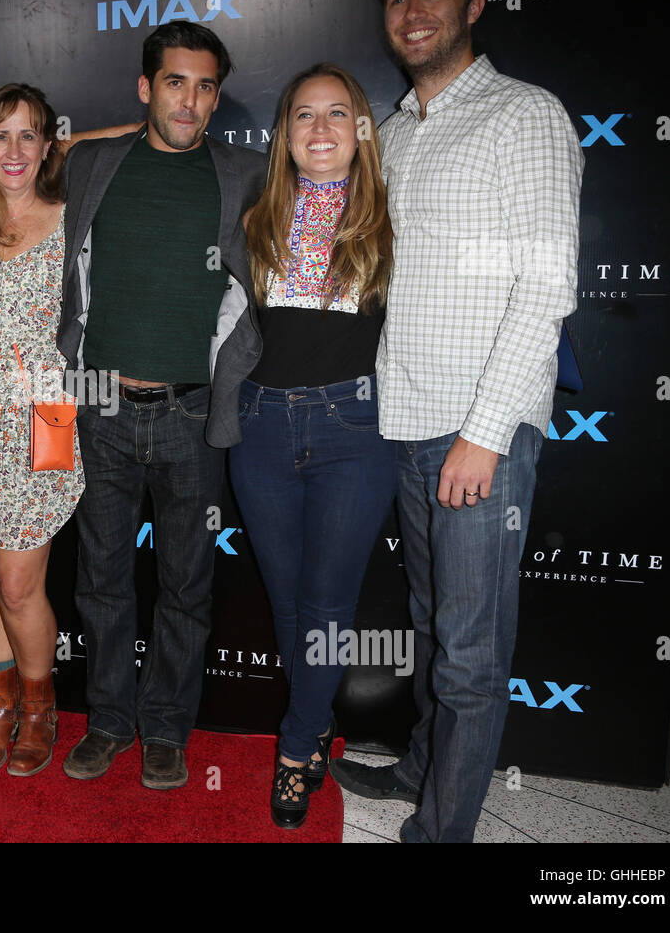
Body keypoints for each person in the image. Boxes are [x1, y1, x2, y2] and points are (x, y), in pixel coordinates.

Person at [328, 0, 583, 843]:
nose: (413, 13)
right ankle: (423, 768)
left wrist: (486, 432)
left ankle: (444, 834)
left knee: (471, 656)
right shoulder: (391, 135)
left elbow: (546, 288)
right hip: (405, 419)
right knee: (433, 627)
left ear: (475, 5)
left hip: (481, 430)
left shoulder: (526, 117)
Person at [58, 21, 268, 790]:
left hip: (194, 414)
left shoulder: (247, 173)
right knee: (101, 580)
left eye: (206, 86)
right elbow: (27, 158)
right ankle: (110, 722)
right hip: (99, 409)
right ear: (146, 88)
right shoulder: (92, 163)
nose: (192, 100)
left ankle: (166, 731)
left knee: (187, 585)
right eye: (174, 82)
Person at [229, 63, 395, 828]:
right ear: (283, 132)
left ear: (363, 128)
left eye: (338, 113)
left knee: (327, 604)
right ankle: (316, 717)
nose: (321, 129)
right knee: (291, 602)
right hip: (260, 426)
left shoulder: (394, 214)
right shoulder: (255, 213)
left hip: (353, 431)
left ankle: (297, 747)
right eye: (304, 115)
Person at [0, 84, 83, 776]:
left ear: (48, 145)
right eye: (0, 134)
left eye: (30, 135)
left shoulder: (70, 219)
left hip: (46, 416)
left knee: (19, 583)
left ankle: (38, 707)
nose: (14, 150)